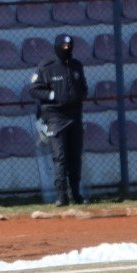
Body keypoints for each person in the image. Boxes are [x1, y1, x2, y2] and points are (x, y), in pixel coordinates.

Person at [29, 34, 88, 207]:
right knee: (60, 157)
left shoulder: (77, 66)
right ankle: (62, 196)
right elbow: (34, 89)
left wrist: (79, 96)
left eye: (69, 46)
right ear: (56, 47)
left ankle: (76, 193)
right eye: (62, 46)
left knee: (75, 157)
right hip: (55, 117)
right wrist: (53, 95)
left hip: (75, 116)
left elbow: (84, 88)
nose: (66, 49)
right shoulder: (46, 67)